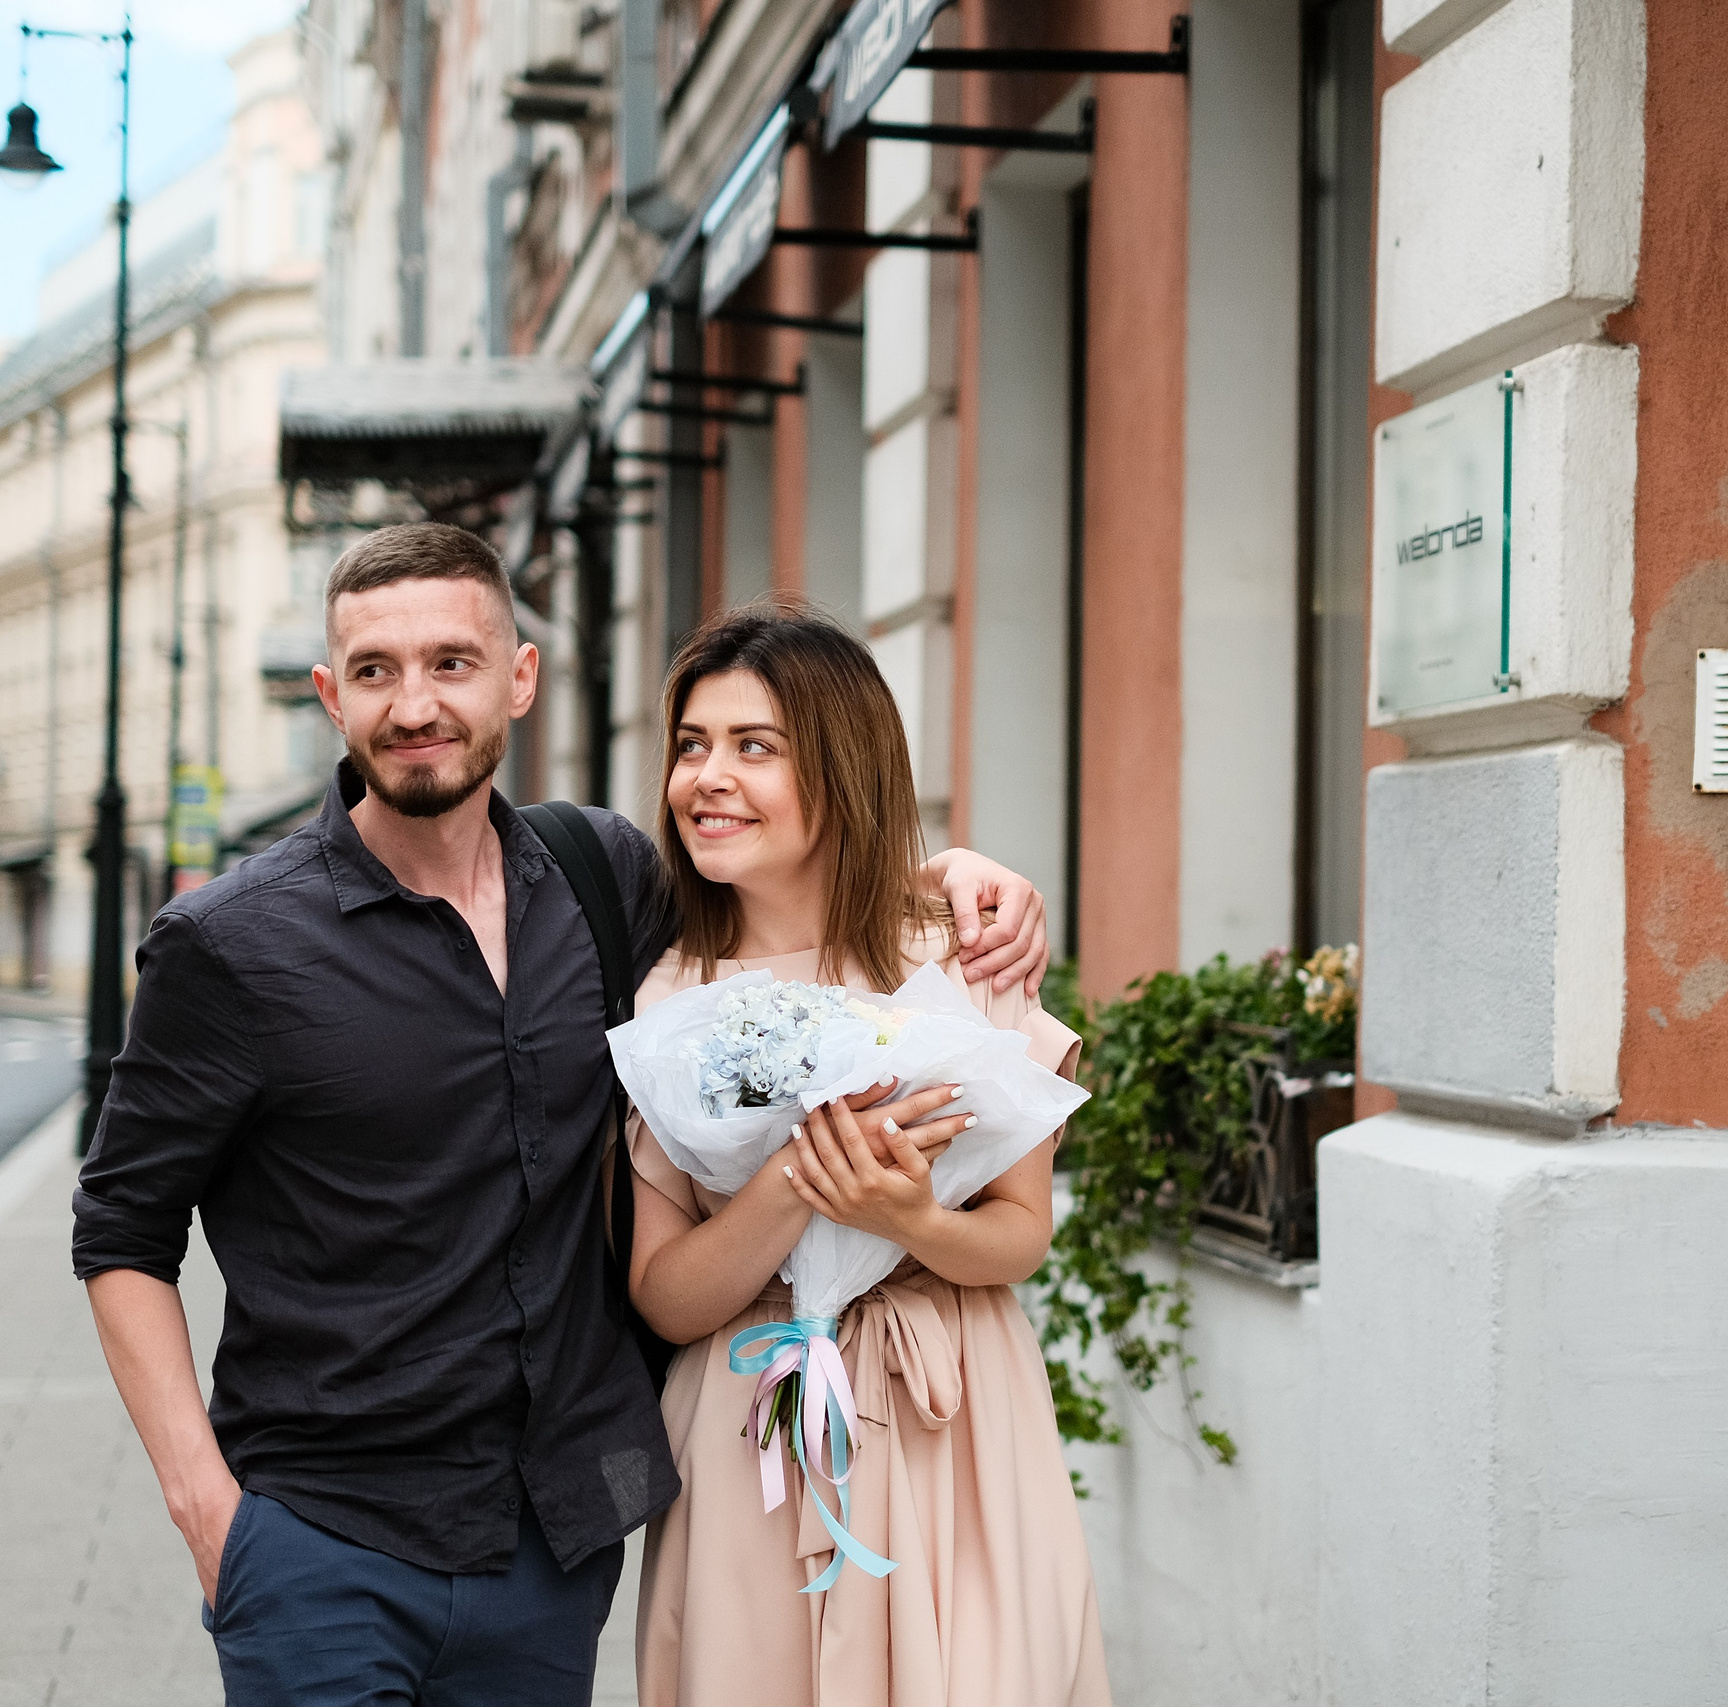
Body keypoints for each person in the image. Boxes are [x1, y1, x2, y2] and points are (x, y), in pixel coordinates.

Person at [70, 522, 1054, 1707]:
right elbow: (121, 1233)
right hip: (323, 1542)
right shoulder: (229, 943)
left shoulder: (607, 884)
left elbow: (789, 900)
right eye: (374, 671)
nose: (413, 703)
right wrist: (207, 1510)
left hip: (553, 1539)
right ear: (331, 695)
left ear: (518, 679)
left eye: (451, 662)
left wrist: (953, 874)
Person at [625, 604, 1109, 1707]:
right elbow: (664, 1296)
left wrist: (909, 1221)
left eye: (755, 747)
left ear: (841, 768)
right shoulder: (667, 996)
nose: (706, 777)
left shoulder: (961, 956)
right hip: (753, 1428)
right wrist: (803, 1178)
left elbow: (1019, 1236)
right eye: (692, 746)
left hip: (954, 1415)